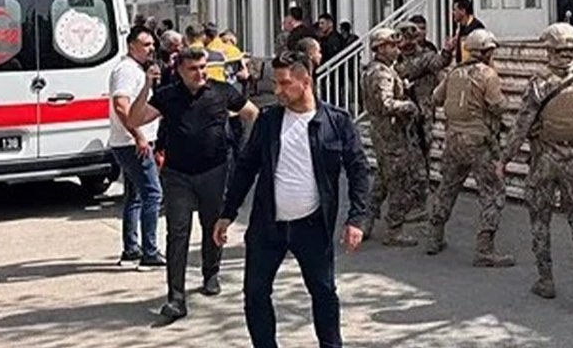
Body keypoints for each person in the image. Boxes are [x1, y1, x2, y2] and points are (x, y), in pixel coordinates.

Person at [215, 50, 369, 348]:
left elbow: (358, 169)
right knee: (255, 294)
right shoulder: (269, 120)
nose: (277, 90)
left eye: (285, 83)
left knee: (324, 292)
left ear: (306, 81)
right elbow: (246, 166)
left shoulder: (336, 122)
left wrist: (356, 218)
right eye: (276, 83)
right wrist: (227, 212)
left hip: (312, 225)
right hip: (267, 225)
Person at [125, 46, 261, 320]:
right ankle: (176, 298)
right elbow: (134, 118)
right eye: (193, 69)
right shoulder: (167, 95)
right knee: (177, 232)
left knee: (212, 225)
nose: (200, 73)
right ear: (180, 70)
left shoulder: (222, 91)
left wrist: (247, 146)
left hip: (214, 171)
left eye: (202, 67)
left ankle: (211, 272)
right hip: (177, 175)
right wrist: (146, 86)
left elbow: (252, 113)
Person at [499, 23, 573, 301]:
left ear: (549, 49)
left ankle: (546, 279)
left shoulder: (539, 84)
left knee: (540, 219)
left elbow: (521, 126)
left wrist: (504, 159)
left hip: (544, 160)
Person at [425, 30, 515, 267]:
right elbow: (497, 106)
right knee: (493, 192)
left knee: (447, 188)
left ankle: (434, 237)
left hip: (453, 141)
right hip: (478, 143)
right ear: (485, 52)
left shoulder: (454, 73)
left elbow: (436, 98)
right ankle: (485, 249)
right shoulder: (488, 74)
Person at [359, 28, 424, 247]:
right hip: (390, 134)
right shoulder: (381, 73)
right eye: (392, 46)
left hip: (384, 132)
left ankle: (366, 220)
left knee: (382, 179)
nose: (397, 49)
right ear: (380, 48)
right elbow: (386, 104)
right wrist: (407, 106)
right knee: (399, 182)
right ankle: (394, 230)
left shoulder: (379, 69)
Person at [108, 26, 165, 268]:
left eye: (152, 44)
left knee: (135, 197)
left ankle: (131, 249)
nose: (151, 48)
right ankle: (149, 251)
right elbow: (121, 106)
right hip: (131, 143)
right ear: (132, 46)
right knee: (153, 193)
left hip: (132, 141)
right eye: (146, 44)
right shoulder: (126, 71)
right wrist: (138, 135)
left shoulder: (138, 70)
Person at [396, 20, 452, 211]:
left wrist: (447, 51)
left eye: (407, 38)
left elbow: (440, 62)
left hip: (423, 113)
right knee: (408, 154)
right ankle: (413, 191)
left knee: (422, 151)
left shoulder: (426, 56)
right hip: (403, 114)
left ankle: (420, 194)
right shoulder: (396, 60)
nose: (404, 43)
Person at [448, 0, 486, 64]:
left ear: (463, 11)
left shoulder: (476, 27)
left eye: (455, 10)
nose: (453, 13)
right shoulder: (461, 27)